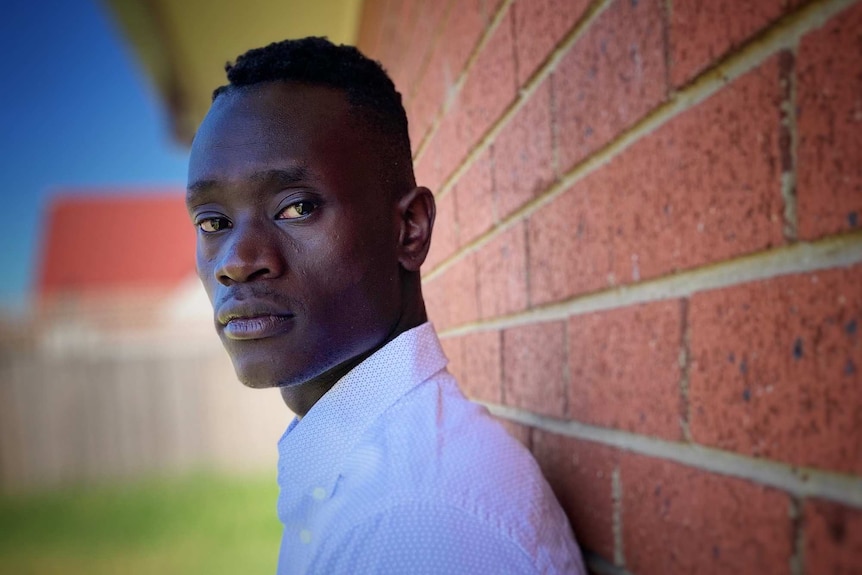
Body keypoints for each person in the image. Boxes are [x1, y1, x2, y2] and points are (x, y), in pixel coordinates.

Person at [186, 36, 585, 574]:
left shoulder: (413, 520)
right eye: (213, 223)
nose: (235, 261)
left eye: (296, 207)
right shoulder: (368, 478)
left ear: (409, 229)